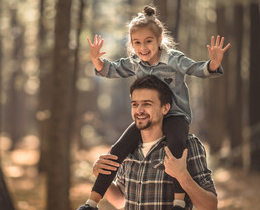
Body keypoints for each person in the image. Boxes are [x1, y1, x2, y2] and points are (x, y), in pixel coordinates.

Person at [77, 5, 229, 210]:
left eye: (148, 41)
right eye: (136, 42)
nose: (143, 47)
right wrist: (96, 59)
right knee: (116, 151)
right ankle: (91, 202)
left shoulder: (174, 59)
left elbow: (195, 69)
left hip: (176, 116)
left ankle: (178, 201)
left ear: (159, 40)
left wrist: (212, 64)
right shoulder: (135, 62)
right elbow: (112, 69)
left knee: (175, 146)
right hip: (150, 120)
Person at [92, 76, 218, 209]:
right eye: (135, 104)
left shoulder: (188, 145)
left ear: (165, 108)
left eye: (147, 104)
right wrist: (99, 174)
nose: (139, 110)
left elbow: (210, 206)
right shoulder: (127, 150)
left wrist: (183, 177)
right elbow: (121, 201)